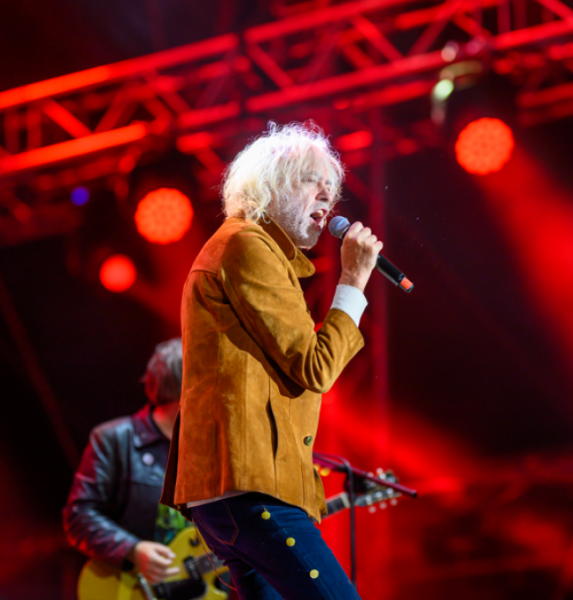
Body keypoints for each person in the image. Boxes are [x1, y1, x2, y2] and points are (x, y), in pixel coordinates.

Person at [161, 122, 382, 600]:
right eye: (312, 182)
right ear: (271, 185)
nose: (327, 198)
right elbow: (315, 367)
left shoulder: (248, 248)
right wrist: (353, 281)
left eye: (332, 189)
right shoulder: (248, 245)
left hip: (232, 490)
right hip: (251, 484)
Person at [64, 338, 224, 598]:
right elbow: (79, 516)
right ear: (189, 388)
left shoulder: (218, 448)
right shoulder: (115, 439)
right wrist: (132, 550)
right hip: (133, 587)